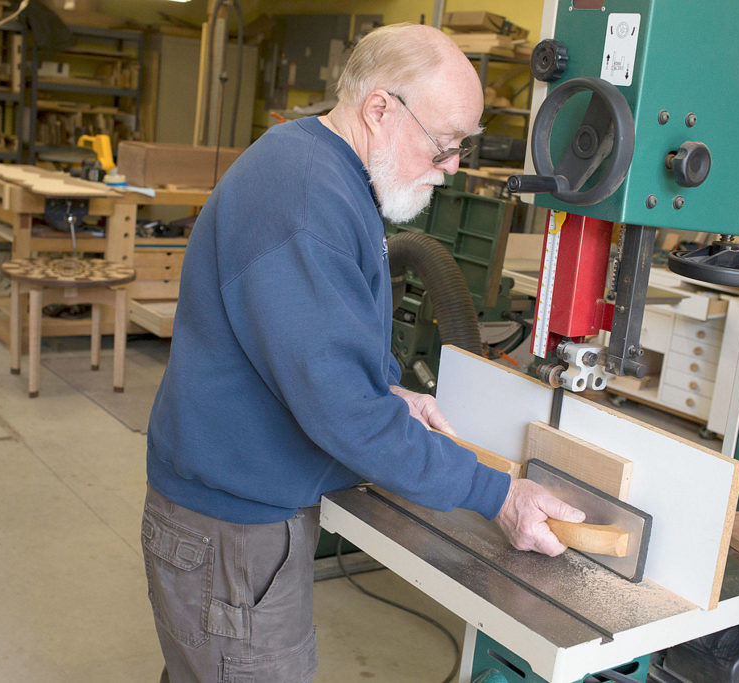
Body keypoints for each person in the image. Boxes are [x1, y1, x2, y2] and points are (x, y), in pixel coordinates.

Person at [141, 22, 585, 683]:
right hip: (233, 534)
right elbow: (345, 416)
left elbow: (306, 347)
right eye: (445, 143)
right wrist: (498, 495)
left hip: (228, 518)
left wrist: (389, 393)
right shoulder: (305, 198)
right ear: (379, 108)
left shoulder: (320, 169)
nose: (454, 165)